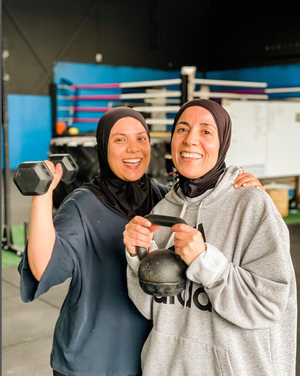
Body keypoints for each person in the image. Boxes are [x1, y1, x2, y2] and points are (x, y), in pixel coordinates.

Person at [18, 106, 264, 376]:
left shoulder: (167, 200)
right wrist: (42, 197)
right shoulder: (82, 204)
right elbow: (43, 268)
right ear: (103, 147)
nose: (133, 148)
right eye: (120, 139)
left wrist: (244, 193)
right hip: (90, 359)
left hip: (152, 359)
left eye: (141, 138)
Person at [124, 99, 297, 376]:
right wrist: (138, 257)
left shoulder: (252, 205)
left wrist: (206, 262)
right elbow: (150, 308)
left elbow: (269, 305)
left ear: (223, 143)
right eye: (182, 129)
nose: (190, 140)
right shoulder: (162, 211)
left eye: (206, 131)